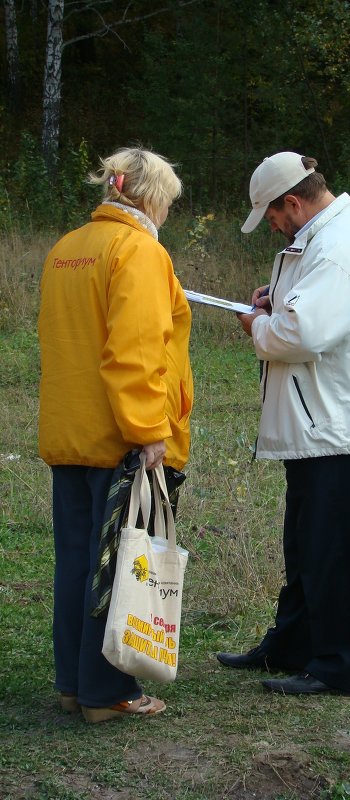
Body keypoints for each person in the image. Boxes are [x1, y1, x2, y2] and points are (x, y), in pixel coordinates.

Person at [217, 151, 350, 695]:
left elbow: (303, 335)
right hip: (327, 416)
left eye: (271, 213)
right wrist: (275, 303)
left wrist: (258, 324)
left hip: (341, 420)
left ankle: (336, 666)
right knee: (306, 539)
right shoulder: (329, 236)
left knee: (331, 545)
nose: (270, 224)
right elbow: (311, 312)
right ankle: (291, 644)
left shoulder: (340, 246)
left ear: (294, 201)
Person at [38, 146, 193, 722]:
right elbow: (134, 352)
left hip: (69, 431)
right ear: (151, 195)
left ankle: (74, 685)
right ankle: (109, 693)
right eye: (169, 203)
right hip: (120, 439)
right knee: (121, 563)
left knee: (78, 560)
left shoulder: (66, 249)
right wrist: (149, 431)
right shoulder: (139, 251)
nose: (168, 214)